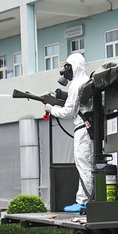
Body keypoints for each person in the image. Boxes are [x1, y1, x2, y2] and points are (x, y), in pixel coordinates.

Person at [45, 52, 93, 212]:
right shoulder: (87, 81)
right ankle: (86, 199)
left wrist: (52, 109)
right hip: (90, 130)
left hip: (82, 130)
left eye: (68, 67)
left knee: (83, 165)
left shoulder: (76, 85)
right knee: (88, 165)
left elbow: (69, 112)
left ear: (75, 67)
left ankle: (83, 202)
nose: (66, 71)